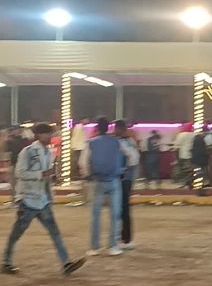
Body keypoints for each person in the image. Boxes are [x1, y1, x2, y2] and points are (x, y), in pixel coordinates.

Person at [2, 123, 86, 276]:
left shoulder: (48, 153)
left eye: (50, 133)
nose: (50, 136)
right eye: (47, 133)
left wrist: (50, 193)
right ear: (38, 135)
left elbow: (46, 178)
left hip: (42, 200)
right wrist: (41, 174)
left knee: (55, 232)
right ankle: (6, 262)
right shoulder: (28, 152)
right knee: (17, 233)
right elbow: (20, 173)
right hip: (28, 200)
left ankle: (66, 263)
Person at [80, 117, 124, 256]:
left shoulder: (91, 143)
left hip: (98, 181)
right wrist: (123, 169)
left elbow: (83, 162)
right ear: (109, 127)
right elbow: (131, 156)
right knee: (115, 214)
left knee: (96, 215)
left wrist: (87, 174)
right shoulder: (116, 142)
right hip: (114, 180)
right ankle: (113, 246)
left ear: (97, 128)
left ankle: (95, 247)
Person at [114, 120, 140, 249]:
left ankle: (125, 239)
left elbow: (133, 159)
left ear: (121, 129)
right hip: (126, 179)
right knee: (123, 209)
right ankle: (124, 238)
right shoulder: (130, 141)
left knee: (122, 209)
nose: (114, 131)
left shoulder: (123, 142)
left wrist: (124, 170)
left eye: (116, 129)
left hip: (123, 179)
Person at [5, 126, 28, 199]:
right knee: (16, 182)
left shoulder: (23, 140)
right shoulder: (11, 141)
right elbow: (7, 152)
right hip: (16, 163)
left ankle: (18, 198)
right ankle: (17, 198)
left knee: (18, 182)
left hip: (20, 164)